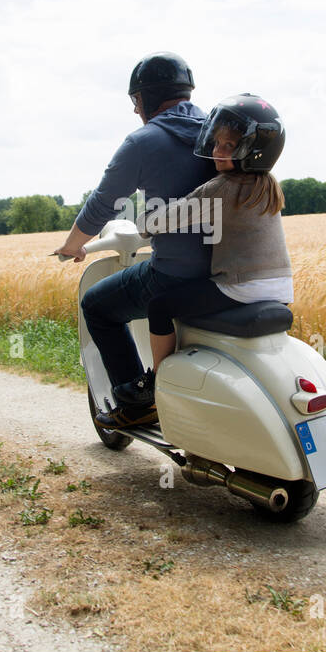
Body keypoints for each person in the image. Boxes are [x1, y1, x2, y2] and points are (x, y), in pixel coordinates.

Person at [53, 52, 215, 428]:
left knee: (96, 305)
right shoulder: (218, 132)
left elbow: (102, 204)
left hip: (174, 275)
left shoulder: (144, 141)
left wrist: (73, 244)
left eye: (136, 101)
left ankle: (137, 403)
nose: (136, 109)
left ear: (145, 98)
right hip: (228, 272)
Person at [125, 94, 292, 415]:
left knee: (159, 306)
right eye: (215, 143)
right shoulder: (268, 184)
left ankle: (157, 384)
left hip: (240, 287)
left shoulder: (222, 188)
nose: (216, 152)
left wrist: (143, 223)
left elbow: (168, 218)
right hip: (281, 288)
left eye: (228, 146)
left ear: (252, 150)